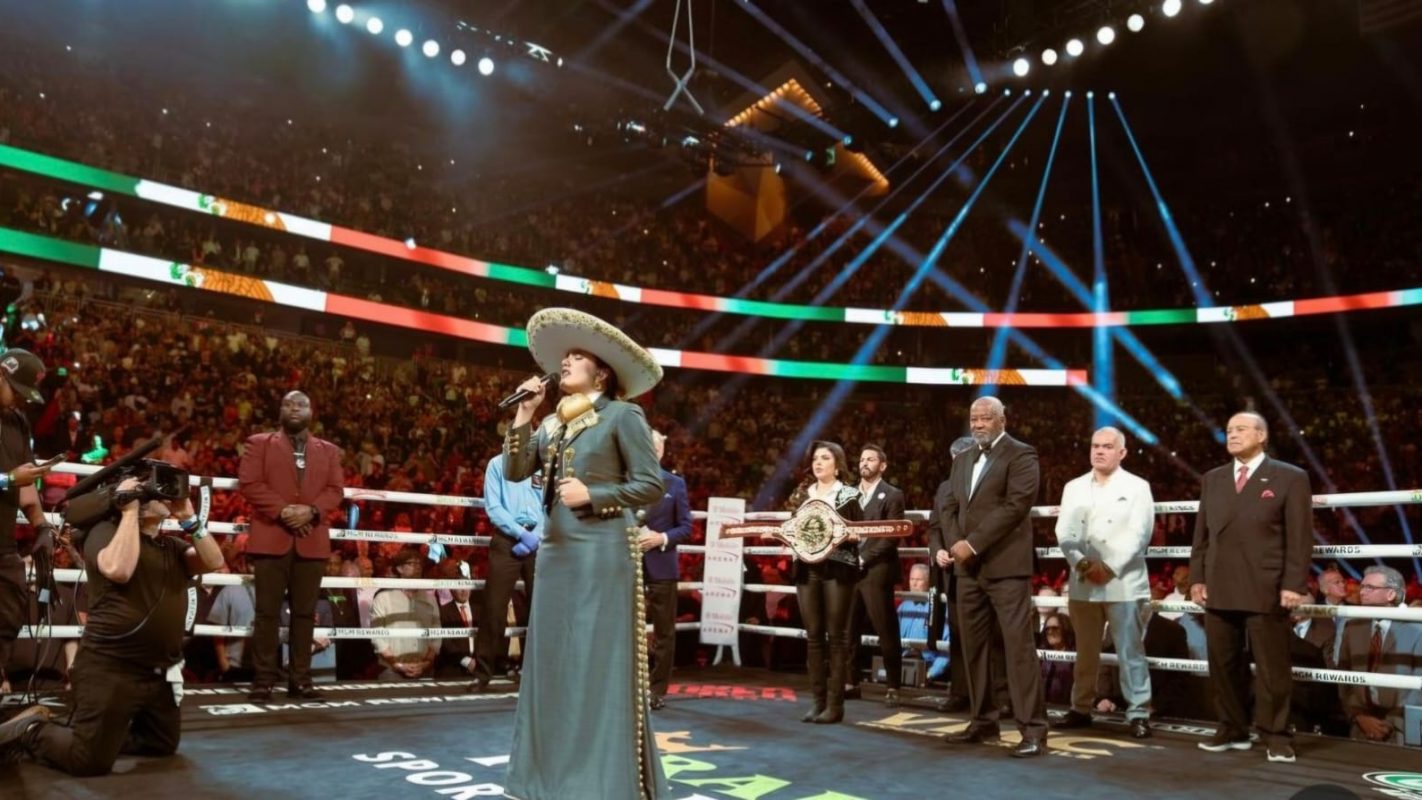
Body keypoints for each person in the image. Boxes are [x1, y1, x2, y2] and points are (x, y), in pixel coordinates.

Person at [499, 307, 667, 800]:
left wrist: (594, 495)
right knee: (552, 661)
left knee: (594, 661)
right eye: (565, 356)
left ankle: (597, 780)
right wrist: (525, 414)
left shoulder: (623, 415)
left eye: (577, 356)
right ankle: (548, 776)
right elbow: (514, 471)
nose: (565, 362)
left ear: (603, 373)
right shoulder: (553, 421)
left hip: (601, 551)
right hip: (556, 552)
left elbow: (650, 484)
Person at [0, 477, 225, 774]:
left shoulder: (171, 545)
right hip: (111, 665)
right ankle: (32, 731)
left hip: (157, 670)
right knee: (86, 761)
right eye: (152, 492)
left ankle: (97, 738)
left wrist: (190, 519)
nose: (163, 495)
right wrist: (129, 511)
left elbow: (213, 561)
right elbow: (119, 570)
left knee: (160, 744)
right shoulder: (103, 532)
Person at [1188, 411, 1312, 763]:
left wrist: (1293, 583)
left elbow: (1300, 536)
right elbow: (1201, 535)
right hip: (1219, 583)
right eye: (1229, 430)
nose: (1232, 434)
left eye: (1240, 429)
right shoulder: (1213, 479)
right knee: (1223, 663)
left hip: (1266, 584)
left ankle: (1276, 734)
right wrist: (1197, 577)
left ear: (1261, 435)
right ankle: (1232, 728)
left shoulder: (1290, 477)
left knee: (1272, 667)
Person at [935, 396, 1048, 758]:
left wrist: (973, 543)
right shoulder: (963, 458)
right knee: (973, 649)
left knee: (1018, 648)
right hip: (968, 570)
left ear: (1002, 419)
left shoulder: (1021, 454)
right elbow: (949, 506)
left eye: (985, 418)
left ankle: (1033, 729)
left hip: (1006, 568)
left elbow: (1016, 506)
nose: (978, 424)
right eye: (974, 418)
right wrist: (957, 544)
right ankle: (983, 720)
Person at [238, 390, 345, 702]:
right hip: (271, 537)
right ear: (280, 410)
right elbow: (250, 483)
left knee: (305, 614)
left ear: (311, 411)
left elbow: (335, 489)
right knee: (266, 613)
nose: (294, 408)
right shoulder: (258, 443)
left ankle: (301, 680)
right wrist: (285, 511)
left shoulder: (328, 451)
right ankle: (263, 681)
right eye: (288, 404)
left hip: (311, 540)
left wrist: (311, 511)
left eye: (301, 404)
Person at [1052, 426, 1157, 739]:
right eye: (1095, 445)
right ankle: (1080, 707)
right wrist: (1085, 565)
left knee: (1130, 651)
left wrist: (1108, 567)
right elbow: (1064, 533)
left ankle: (1138, 712)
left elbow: (1140, 533)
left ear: (1121, 452)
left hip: (1123, 581)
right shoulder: (1073, 487)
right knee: (1085, 651)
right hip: (1084, 581)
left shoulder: (1138, 486)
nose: (1099, 451)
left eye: (1107, 446)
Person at [0, 348, 61, 695]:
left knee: (10, 611)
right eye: (17, 391)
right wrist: (7, 479)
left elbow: (26, 484)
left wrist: (41, 526)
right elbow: (15, 479)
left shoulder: (17, 422)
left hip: (3, 542)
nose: (21, 400)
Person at [473, 453, 542, 692]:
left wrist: (536, 536)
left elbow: (551, 505)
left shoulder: (545, 464)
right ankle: (483, 673)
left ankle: (536, 673)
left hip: (540, 540)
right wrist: (520, 533)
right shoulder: (496, 464)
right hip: (506, 539)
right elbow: (493, 507)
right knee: (494, 606)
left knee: (541, 608)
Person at [843, 444, 906, 707]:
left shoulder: (892, 494)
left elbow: (891, 536)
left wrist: (864, 558)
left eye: (870, 459)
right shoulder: (847, 494)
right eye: (861, 459)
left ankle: (893, 685)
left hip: (877, 569)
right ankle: (850, 682)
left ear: (883, 465)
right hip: (849, 569)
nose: (864, 463)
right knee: (848, 628)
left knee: (885, 628)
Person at [1335, 566, 1422, 745]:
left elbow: (1418, 686)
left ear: (1390, 594)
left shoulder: (1416, 629)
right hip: (1360, 725)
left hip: (1401, 727)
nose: (1362, 592)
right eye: (1362, 587)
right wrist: (1358, 715)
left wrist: (1391, 722)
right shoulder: (1353, 626)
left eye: (1370, 588)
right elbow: (1344, 675)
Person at [640, 430, 692, 711]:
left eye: (658, 446)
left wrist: (661, 538)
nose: (653, 449)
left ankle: (657, 690)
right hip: (628, 563)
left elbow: (685, 527)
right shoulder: (625, 481)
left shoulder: (675, 483)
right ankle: (626, 685)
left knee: (664, 632)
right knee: (623, 627)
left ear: (662, 451)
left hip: (662, 564)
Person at [369, 548, 440, 681]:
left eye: (419, 564)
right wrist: (397, 664)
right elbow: (377, 636)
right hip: (391, 669)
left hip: (424, 669)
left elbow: (437, 634)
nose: (417, 567)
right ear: (399, 569)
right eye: (411, 563)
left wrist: (426, 663)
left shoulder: (430, 599)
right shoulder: (383, 598)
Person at [897, 564, 949, 681]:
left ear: (928, 582)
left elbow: (948, 648)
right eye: (912, 579)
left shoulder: (940, 609)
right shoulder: (903, 608)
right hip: (903, 664)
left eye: (918, 580)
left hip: (929, 668)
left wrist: (931, 673)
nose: (914, 584)